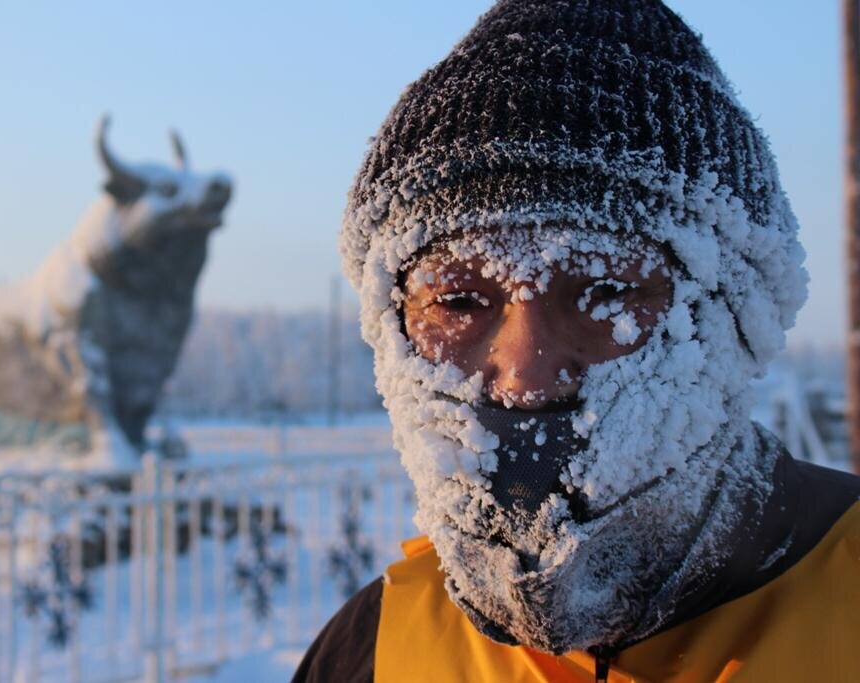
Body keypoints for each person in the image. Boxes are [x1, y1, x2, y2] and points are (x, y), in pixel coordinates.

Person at [293, 0, 860, 681]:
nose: (526, 374)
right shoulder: (375, 651)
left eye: (608, 295)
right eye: (457, 301)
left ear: (732, 319)